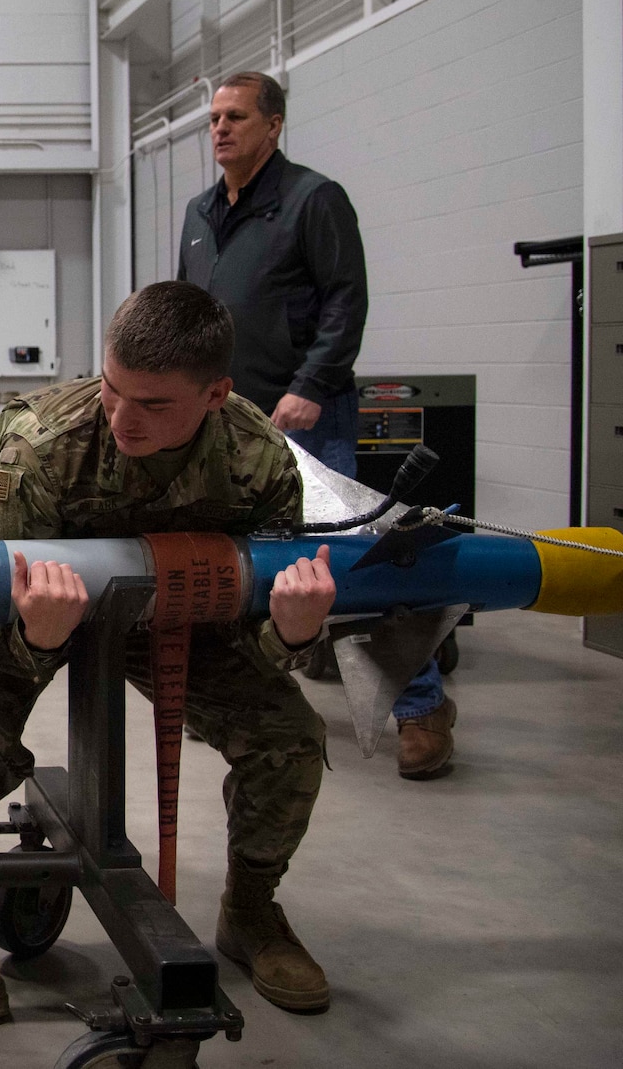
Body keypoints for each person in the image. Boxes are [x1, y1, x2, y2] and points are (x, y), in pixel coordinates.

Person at [0, 282, 340, 1017]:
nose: (123, 419)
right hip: (39, 614)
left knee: (290, 738)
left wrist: (292, 633)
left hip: (179, 617)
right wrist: (37, 636)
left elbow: (255, 620)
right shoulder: (44, 446)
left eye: (154, 404)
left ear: (216, 393)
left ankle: (251, 910)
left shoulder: (257, 461)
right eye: (111, 389)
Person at [177, 70, 454, 780]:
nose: (220, 129)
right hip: (229, 418)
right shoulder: (201, 213)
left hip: (307, 412)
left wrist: (307, 386)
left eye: (235, 116)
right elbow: (194, 316)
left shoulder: (312, 200)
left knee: (352, 557)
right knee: (245, 559)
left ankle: (421, 706)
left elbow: (345, 302)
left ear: (273, 125)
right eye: (213, 118)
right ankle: (257, 685)